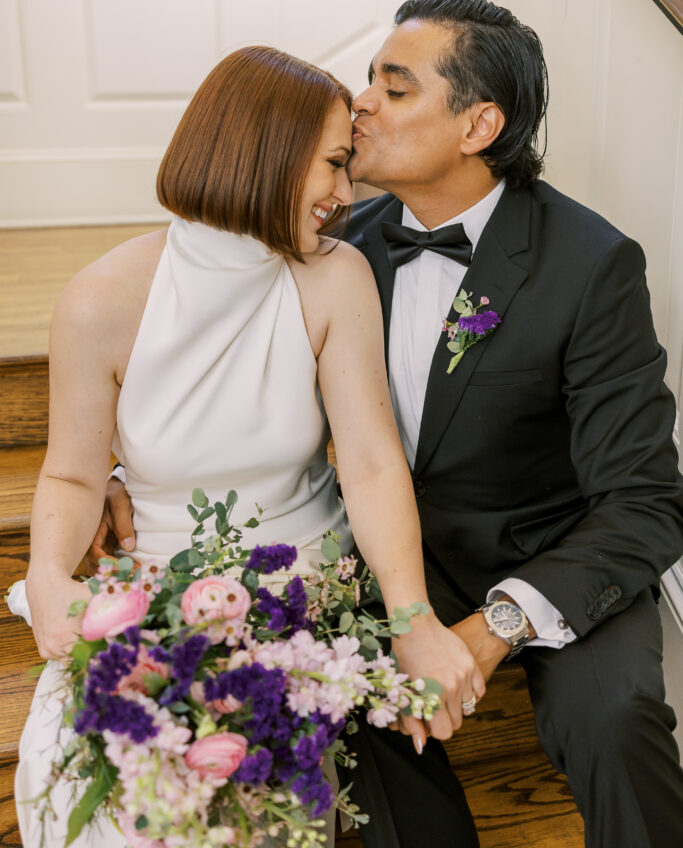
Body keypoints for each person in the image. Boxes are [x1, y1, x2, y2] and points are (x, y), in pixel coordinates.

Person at [99, 0, 683, 847]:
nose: (360, 101)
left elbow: (644, 500)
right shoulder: (328, 241)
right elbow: (207, 362)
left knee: (615, 719)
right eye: (370, 77)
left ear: (478, 125)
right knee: (355, 723)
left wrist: (492, 631)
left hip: (553, 549)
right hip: (377, 556)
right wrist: (133, 474)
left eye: (395, 87)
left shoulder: (592, 264)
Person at [11, 45, 483, 847]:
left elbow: (369, 464)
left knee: (248, 796)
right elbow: (68, 471)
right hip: (154, 596)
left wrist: (409, 617)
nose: (344, 193)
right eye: (333, 165)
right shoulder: (99, 299)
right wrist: (48, 573)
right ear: (266, 154)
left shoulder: (335, 278)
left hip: (301, 592)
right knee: (98, 786)